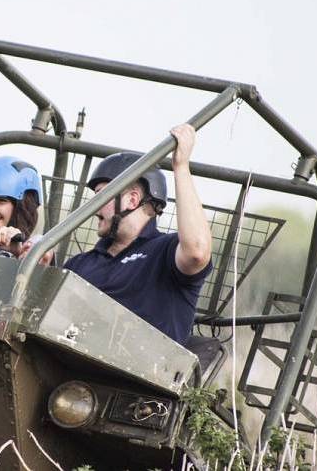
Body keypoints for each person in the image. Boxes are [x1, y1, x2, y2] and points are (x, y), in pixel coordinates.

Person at [63, 124, 213, 345]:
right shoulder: (79, 264)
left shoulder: (165, 252)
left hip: (133, 378)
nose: (94, 207)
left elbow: (197, 252)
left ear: (132, 200)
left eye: (100, 196)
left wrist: (181, 167)